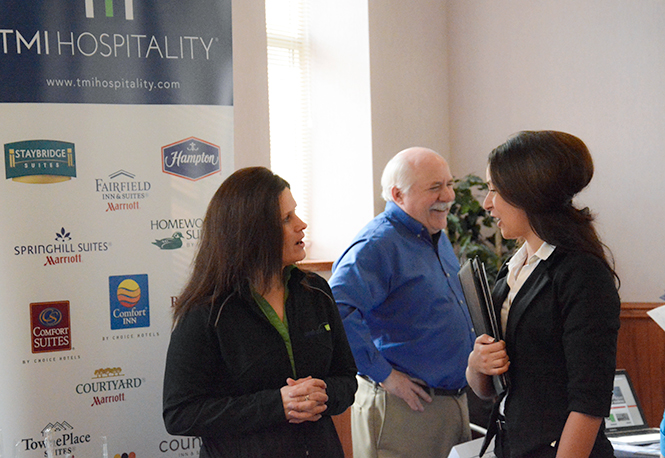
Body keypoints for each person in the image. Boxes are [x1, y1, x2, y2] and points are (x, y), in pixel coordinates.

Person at [162, 167, 358, 458]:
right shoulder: (208, 311)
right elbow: (180, 413)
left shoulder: (316, 291)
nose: (301, 225)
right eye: (286, 219)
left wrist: (324, 393)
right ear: (252, 231)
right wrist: (276, 405)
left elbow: (347, 379)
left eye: (296, 214)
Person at [466, 131, 621, 458]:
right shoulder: (513, 266)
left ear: (526, 192)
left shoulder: (581, 274)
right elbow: (493, 387)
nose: (487, 203)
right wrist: (477, 365)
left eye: (494, 189)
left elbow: (588, 403)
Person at [329, 147, 476, 458]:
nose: (448, 196)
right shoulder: (377, 244)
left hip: (450, 404)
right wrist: (385, 375)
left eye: (449, 184)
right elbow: (336, 308)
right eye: (435, 187)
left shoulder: (433, 230)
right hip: (405, 411)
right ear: (398, 194)